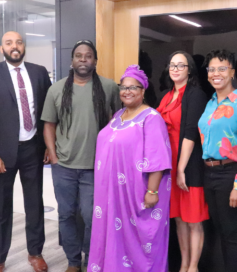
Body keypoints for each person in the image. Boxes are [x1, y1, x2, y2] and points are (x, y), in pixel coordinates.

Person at [41, 40, 121, 272]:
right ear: (72, 60)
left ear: (95, 61)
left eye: (88, 56)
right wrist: (54, 159)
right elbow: (49, 125)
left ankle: (91, 258)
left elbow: (119, 121)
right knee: (65, 215)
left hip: (95, 167)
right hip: (64, 166)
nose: (83, 59)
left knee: (90, 215)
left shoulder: (108, 87)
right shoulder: (56, 89)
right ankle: (73, 261)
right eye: (78, 55)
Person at [0, 31, 52, 272]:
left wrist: (50, 147)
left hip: (33, 149)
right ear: (1, 49)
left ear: (24, 46)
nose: (15, 46)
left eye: (19, 42)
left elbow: (49, 113)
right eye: (9, 43)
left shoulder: (39, 72)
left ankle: (35, 252)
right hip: (2, 154)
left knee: (34, 204)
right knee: (1, 207)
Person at [88, 65, 172, 272]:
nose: (127, 91)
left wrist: (152, 192)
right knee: (112, 236)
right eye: (123, 87)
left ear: (143, 91)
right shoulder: (118, 115)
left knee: (138, 243)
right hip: (112, 195)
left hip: (135, 195)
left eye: (133, 87)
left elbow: (158, 159)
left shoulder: (151, 118)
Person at [198, 49, 237, 272]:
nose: (216, 73)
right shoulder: (211, 102)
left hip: (231, 175)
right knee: (222, 233)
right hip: (210, 173)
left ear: (232, 72)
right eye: (212, 69)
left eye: (222, 69)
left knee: (234, 236)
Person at [157, 51, 209, 272]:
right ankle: (184, 265)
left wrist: (180, 169)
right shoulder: (167, 95)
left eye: (181, 65)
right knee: (178, 219)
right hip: (169, 165)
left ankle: (193, 267)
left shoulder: (196, 94)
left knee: (193, 219)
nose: (175, 68)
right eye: (172, 65)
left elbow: (190, 133)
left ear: (190, 70)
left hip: (188, 166)